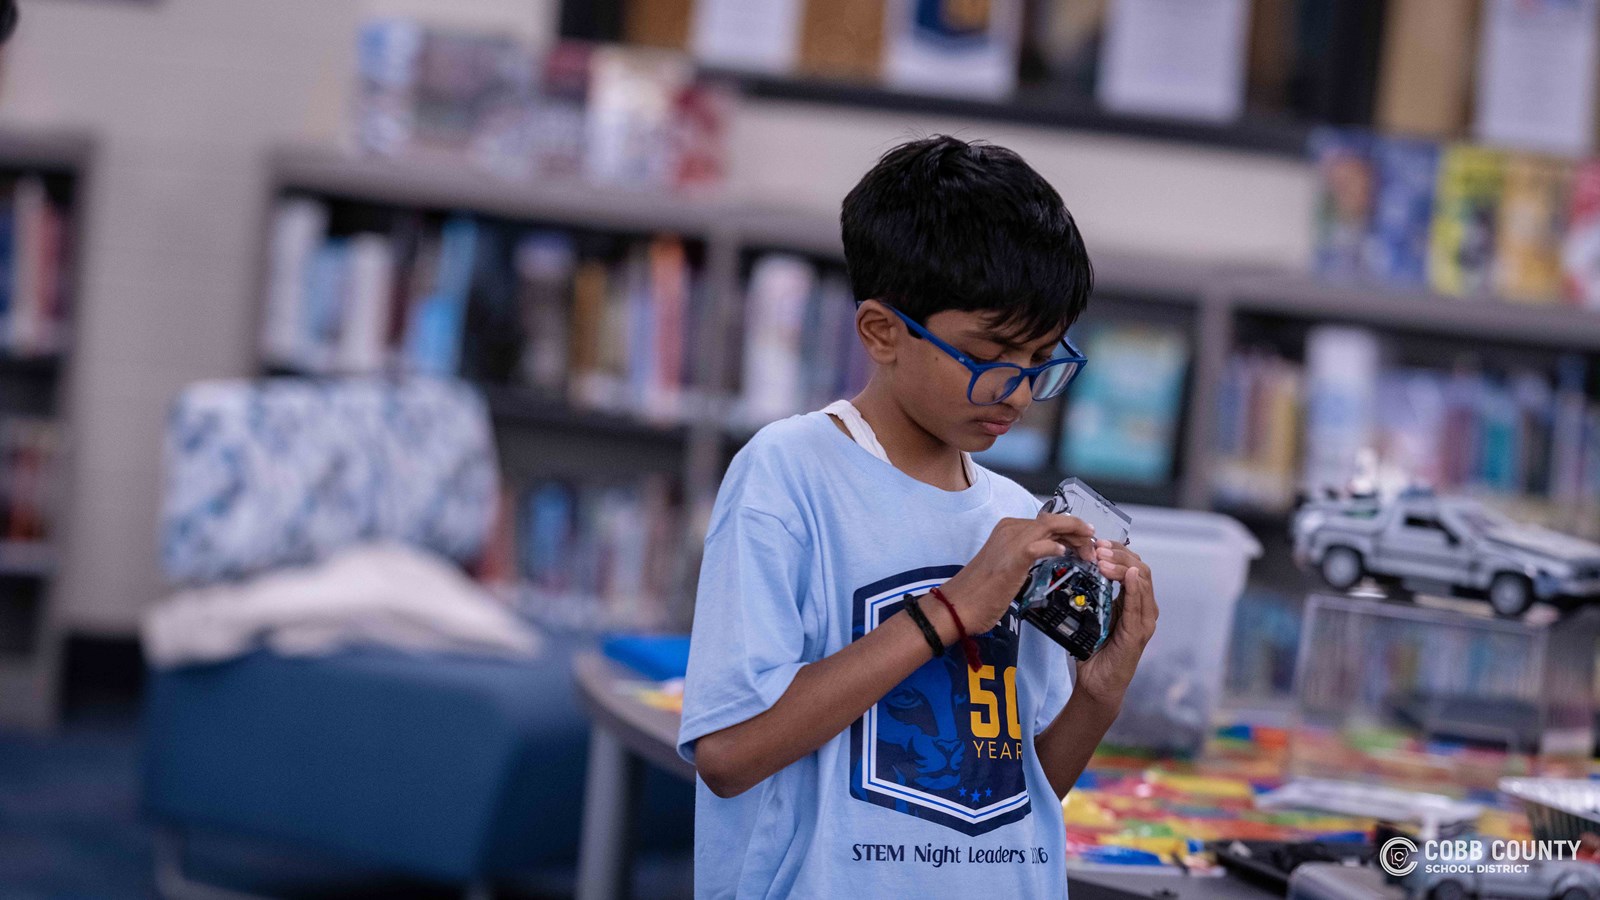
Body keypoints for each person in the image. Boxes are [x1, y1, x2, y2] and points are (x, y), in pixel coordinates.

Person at [676, 134, 1157, 898]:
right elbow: (728, 754)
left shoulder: (1013, 518)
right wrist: (949, 612)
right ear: (881, 332)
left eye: (1041, 361)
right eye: (992, 356)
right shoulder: (790, 474)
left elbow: (1014, 802)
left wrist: (1100, 693)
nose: (1019, 392)